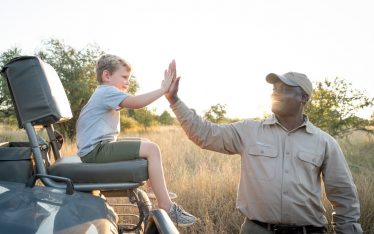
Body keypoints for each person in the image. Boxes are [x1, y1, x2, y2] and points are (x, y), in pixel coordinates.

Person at [165, 62, 363, 234]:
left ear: (303, 97)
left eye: (284, 89)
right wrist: (174, 100)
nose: (275, 92)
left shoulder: (324, 142)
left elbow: (343, 193)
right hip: (257, 230)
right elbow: (204, 134)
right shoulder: (249, 131)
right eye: (274, 88)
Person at [76, 54, 195, 227]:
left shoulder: (104, 92)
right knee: (152, 149)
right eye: (124, 77)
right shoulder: (106, 91)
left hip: (96, 148)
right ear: (107, 76)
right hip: (95, 151)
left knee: (146, 142)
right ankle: (167, 207)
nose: (127, 82)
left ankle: (151, 188)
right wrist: (163, 90)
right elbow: (136, 102)